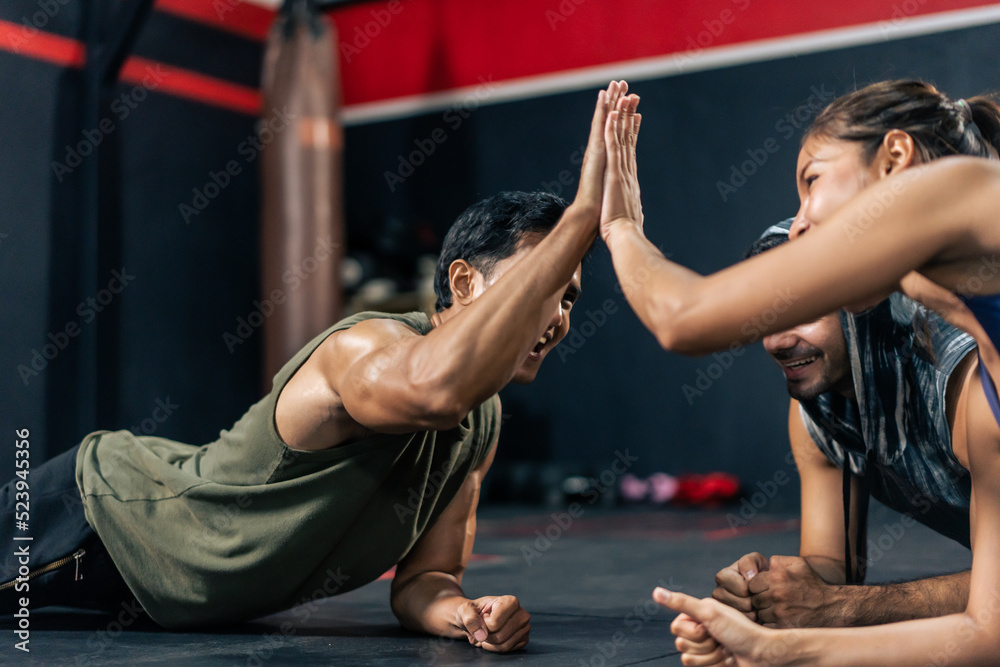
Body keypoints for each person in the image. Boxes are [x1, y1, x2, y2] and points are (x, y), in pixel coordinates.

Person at [0, 81, 639, 653]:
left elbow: (427, 578)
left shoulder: (484, 419)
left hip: (163, 601)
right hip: (101, 519)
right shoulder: (361, 350)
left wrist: (467, 616)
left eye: (570, 294)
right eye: (541, 279)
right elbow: (435, 388)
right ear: (464, 283)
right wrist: (582, 218)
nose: (555, 311)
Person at [598, 79, 1000, 664]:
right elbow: (987, 635)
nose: (803, 222)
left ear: (896, 158)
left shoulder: (961, 188)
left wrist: (618, 229)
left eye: (812, 181)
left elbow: (683, 318)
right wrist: (775, 648)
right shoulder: (989, 393)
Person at [714, 223, 977, 630]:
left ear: (862, 303)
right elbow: (832, 569)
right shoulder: (816, 410)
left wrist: (844, 607)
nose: (777, 341)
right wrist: (771, 591)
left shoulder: (962, 385)